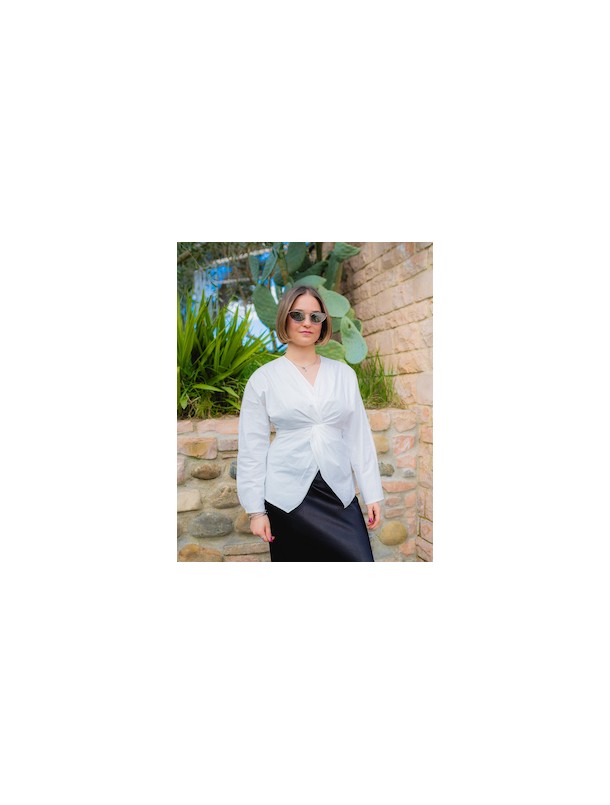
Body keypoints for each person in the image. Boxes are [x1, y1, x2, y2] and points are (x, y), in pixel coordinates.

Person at [237, 285, 383, 562]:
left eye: (315, 317)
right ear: (284, 318)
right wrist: (256, 511)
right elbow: (252, 449)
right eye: (298, 315)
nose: (307, 322)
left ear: (323, 323)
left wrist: (372, 493)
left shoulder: (343, 375)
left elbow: (358, 437)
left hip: (338, 493)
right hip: (286, 497)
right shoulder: (263, 379)